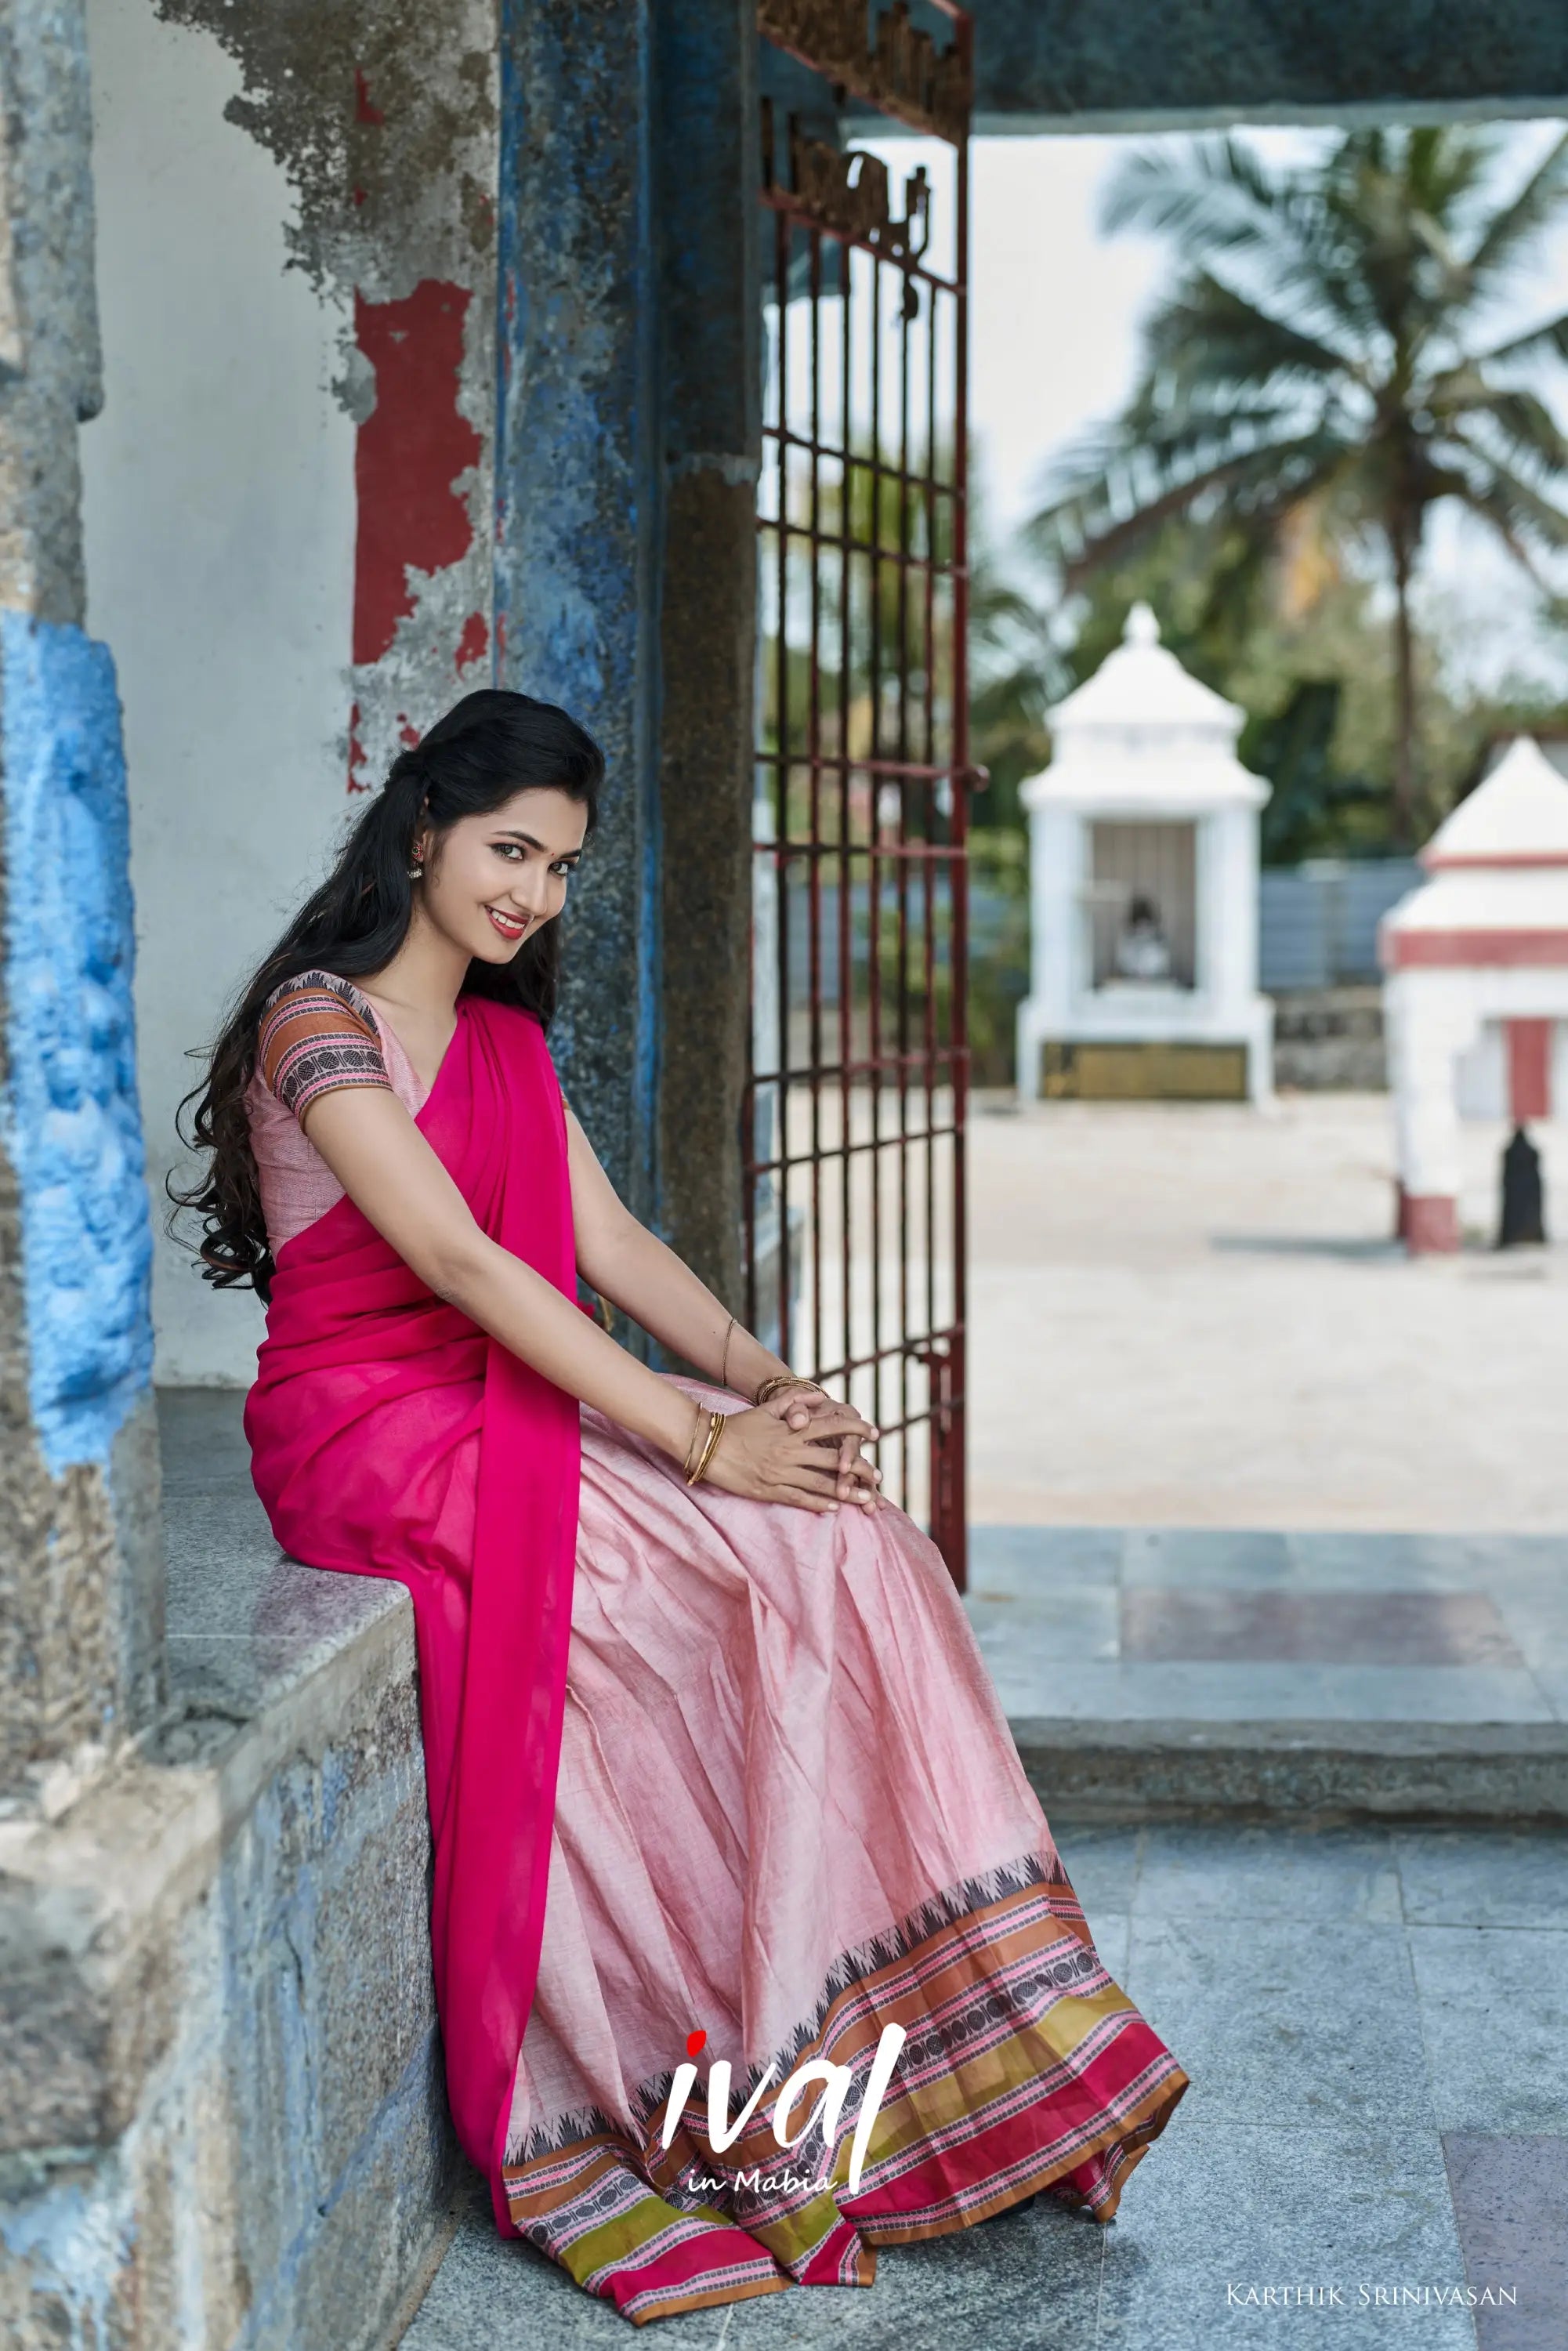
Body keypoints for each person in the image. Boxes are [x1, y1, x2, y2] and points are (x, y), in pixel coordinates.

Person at [175, 690, 1187, 2325]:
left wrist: (764, 1387)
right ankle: (706, 2064)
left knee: (845, 1534)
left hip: (505, 1387)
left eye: (562, 868)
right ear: (420, 826)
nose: (532, 894)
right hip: (369, 1423)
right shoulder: (318, 1024)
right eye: (510, 850)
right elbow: (452, 1258)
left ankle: (884, 2044)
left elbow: (616, 1248)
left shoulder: (501, 1042)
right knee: (686, 1574)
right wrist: (696, 1449)